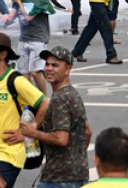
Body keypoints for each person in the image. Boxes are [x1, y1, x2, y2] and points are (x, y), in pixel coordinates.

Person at [0, 32, 49, 187]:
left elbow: (45, 103)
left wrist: (30, 130)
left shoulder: (15, 80)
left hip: (9, 153)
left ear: (3, 54)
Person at [20, 46, 92, 188]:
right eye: (47, 64)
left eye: (55, 65)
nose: (49, 68)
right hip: (78, 173)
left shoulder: (60, 98)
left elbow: (61, 139)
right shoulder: (72, 94)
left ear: (67, 69)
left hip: (58, 178)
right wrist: (76, 157)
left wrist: (33, 133)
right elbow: (87, 131)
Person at [4, 0, 56, 94]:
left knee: (35, 72)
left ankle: (43, 98)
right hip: (24, 39)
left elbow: (28, 17)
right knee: (23, 73)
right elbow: (12, 17)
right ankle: (30, 99)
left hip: (38, 39)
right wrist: (7, 18)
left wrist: (19, 2)